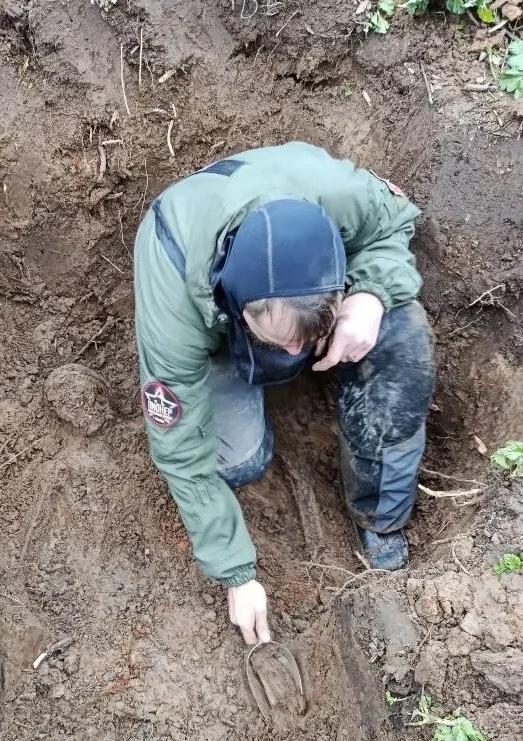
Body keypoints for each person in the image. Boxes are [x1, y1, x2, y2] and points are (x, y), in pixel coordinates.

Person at [133, 142, 435, 646]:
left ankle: (381, 517)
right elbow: (181, 450)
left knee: (403, 337)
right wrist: (236, 573)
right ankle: (258, 353)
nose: (298, 350)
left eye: (305, 340)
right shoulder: (174, 300)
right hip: (213, 324)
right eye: (284, 339)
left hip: (313, 284)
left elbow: (394, 223)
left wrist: (370, 293)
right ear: (237, 301)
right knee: (236, 463)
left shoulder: (338, 193)